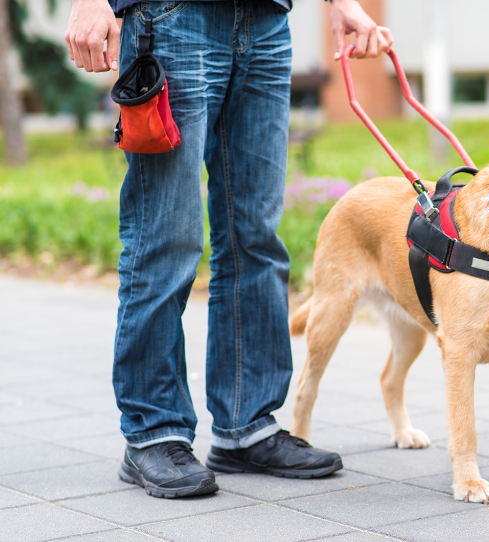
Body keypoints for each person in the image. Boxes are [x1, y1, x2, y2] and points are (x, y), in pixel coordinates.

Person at [64, 0, 393, 498]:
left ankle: (248, 425)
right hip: (171, 18)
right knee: (166, 238)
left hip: (265, 21)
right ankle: (154, 432)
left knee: (256, 239)